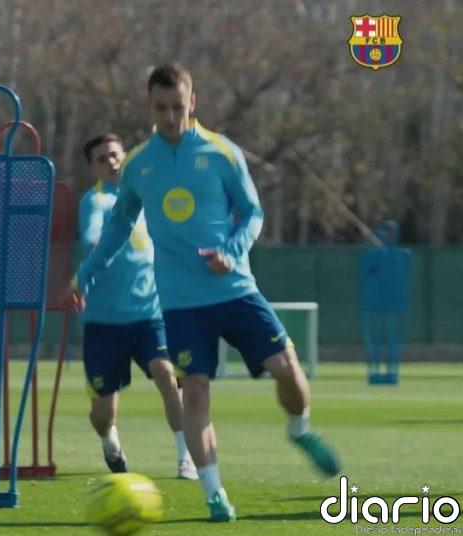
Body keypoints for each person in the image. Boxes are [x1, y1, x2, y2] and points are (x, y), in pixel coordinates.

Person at [72, 65, 340, 521]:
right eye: (161, 108)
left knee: (288, 369)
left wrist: (231, 252)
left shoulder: (221, 152)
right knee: (193, 392)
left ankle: (299, 429)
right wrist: (86, 275)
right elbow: (117, 227)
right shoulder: (140, 163)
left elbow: (252, 213)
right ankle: (214, 494)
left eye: (178, 106)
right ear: (150, 107)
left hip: (235, 289)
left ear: (192, 102)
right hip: (180, 302)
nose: (171, 116)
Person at [78, 132, 196, 480]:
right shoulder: (96, 201)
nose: (112, 162)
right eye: (102, 159)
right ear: (93, 169)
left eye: (115, 155)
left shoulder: (149, 195)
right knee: (103, 410)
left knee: (166, 373)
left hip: (150, 313)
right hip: (105, 321)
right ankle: (109, 440)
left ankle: (185, 456)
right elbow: (90, 238)